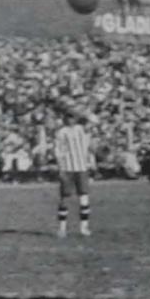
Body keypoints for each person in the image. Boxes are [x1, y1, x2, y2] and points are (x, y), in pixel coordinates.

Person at [53, 96, 95, 238]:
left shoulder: (81, 129)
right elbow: (58, 152)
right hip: (68, 168)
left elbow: (93, 120)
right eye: (68, 117)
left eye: (73, 117)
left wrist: (81, 109)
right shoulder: (61, 132)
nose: (71, 119)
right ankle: (62, 228)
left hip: (81, 167)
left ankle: (84, 228)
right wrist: (61, 169)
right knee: (65, 198)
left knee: (84, 197)